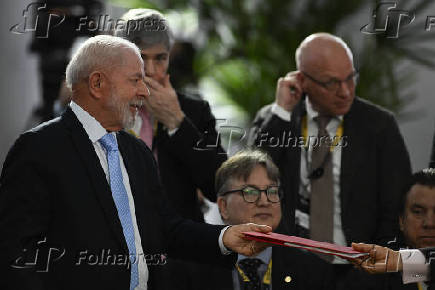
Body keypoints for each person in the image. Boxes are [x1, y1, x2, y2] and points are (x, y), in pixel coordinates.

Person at [0, 35, 271, 290]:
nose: (144, 91)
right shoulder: (38, 149)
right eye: (135, 80)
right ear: (97, 84)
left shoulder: (136, 151)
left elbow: (165, 228)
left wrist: (224, 237)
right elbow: (15, 254)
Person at [248, 32, 412, 289]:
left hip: (359, 268)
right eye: (331, 83)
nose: (345, 91)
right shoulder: (279, 119)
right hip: (291, 268)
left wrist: (375, 271)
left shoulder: (379, 126)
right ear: (302, 80)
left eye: (350, 78)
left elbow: (397, 209)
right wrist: (281, 112)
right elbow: (251, 179)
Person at [113, 9, 226, 222]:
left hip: (178, 248)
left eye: (160, 59)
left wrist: (177, 122)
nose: (150, 70)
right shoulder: (101, 108)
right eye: (140, 58)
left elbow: (221, 187)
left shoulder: (193, 110)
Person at [209, 150, 333, 290]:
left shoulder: (313, 271)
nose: (264, 201)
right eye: (250, 192)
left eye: (272, 191)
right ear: (223, 207)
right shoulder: (194, 267)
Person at [352, 168, 435, 290]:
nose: (429, 223)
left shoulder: (396, 261)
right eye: (418, 212)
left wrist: (401, 262)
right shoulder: (374, 271)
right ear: (401, 221)